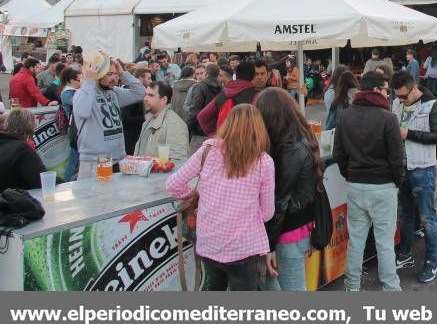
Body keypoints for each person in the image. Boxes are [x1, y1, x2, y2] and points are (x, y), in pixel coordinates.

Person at [166, 104, 275, 291]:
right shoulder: (263, 161)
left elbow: (173, 185)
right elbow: (267, 213)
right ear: (259, 128)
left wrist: (195, 194)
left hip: (210, 242)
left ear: (228, 124)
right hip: (244, 247)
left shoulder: (208, 150)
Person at [333, 72, 404, 291]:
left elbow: (338, 154)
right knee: (384, 242)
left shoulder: (345, 115)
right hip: (383, 186)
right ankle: (391, 288)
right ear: (376, 90)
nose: (387, 93)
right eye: (385, 89)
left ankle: (352, 287)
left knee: (356, 241)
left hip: (356, 184)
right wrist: (396, 181)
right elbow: (397, 158)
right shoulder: (388, 118)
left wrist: (350, 174)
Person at [255, 88, 324, 291]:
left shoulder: (290, 148)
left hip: (288, 232)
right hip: (293, 228)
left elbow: (280, 201)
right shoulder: (295, 139)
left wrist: (269, 244)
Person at [391, 70, 437, 284]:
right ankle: (404, 253)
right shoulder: (396, 103)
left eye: (404, 96)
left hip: (423, 167)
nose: (400, 100)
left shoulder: (433, 105)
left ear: (415, 88)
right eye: (397, 96)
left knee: (428, 218)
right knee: (404, 214)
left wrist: (409, 134)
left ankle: (432, 261)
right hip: (401, 168)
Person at [72, 56, 146, 179]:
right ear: (97, 75)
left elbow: (140, 93)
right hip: (95, 161)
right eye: (110, 74)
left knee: (115, 197)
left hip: (118, 159)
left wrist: (124, 74)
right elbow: (83, 112)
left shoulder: (114, 93)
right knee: (98, 197)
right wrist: (89, 82)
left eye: (116, 74)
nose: (114, 78)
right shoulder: (83, 93)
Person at [197, 61, 256, 137]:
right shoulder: (256, 95)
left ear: (236, 75)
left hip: (223, 140)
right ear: (253, 77)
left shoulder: (223, 94)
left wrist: (214, 135)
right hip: (247, 142)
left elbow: (202, 116)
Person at [134, 81, 189, 160]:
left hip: (157, 172)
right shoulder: (149, 119)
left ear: (164, 99)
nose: (145, 99)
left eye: (150, 95)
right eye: (145, 94)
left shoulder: (175, 124)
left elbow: (178, 161)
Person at [0, 109, 48, 191]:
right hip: (14, 200)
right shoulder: (22, 149)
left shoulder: (5, 143)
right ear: (30, 129)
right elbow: (41, 180)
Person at [59, 67, 84, 181]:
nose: (82, 83)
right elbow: (78, 103)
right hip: (74, 128)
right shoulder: (67, 93)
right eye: (80, 80)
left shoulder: (74, 91)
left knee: (79, 159)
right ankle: (66, 182)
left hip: (79, 127)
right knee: (73, 159)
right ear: (72, 81)